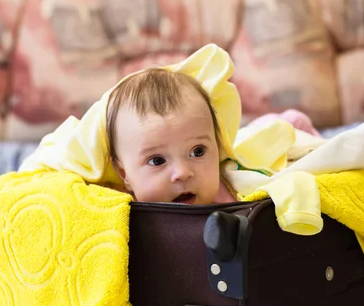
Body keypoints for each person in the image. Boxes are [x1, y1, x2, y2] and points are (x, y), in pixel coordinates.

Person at [105, 67, 320, 204]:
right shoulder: (118, 214)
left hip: (265, 134)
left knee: (283, 132)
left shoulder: (235, 196)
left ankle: (290, 122)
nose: (182, 173)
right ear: (125, 174)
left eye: (198, 151)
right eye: (157, 160)